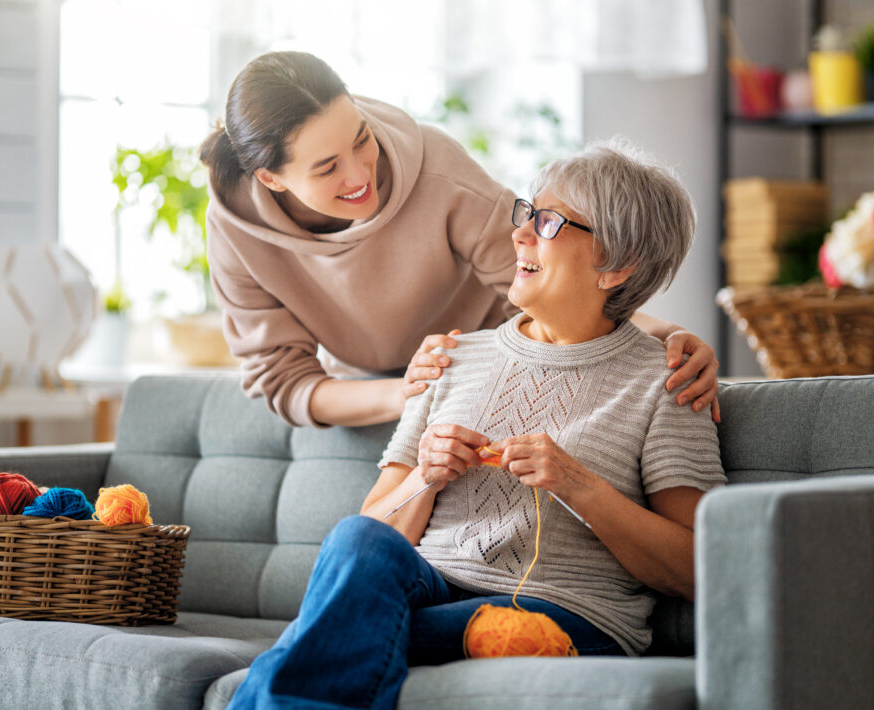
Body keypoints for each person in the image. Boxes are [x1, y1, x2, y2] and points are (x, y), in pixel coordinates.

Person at [227, 139, 726, 709]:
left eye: (548, 222)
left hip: (567, 615)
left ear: (616, 266)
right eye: (527, 213)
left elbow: (697, 567)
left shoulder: (669, 381)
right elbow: (374, 528)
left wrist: (577, 483)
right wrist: (425, 477)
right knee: (355, 538)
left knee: (336, 630)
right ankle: (446, 640)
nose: (519, 234)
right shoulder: (451, 357)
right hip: (433, 591)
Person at [200, 51, 721, 429]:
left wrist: (667, 333)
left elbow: (557, 286)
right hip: (375, 400)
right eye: (328, 167)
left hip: (499, 368)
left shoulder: (437, 169)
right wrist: (407, 392)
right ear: (271, 179)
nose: (361, 174)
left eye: (362, 139)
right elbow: (285, 382)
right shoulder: (235, 229)